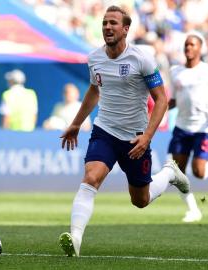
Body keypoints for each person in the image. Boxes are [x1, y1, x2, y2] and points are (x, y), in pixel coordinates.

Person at [58, 5, 190, 257]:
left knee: (140, 200)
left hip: (136, 137)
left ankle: (170, 173)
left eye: (113, 23)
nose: (107, 27)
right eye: (105, 23)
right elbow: (94, 90)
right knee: (91, 178)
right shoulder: (95, 58)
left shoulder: (142, 60)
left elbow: (161, 99)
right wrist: (76, 123)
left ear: (126, 29)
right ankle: (75, 239)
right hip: (104, 130)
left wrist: (148, 136)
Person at [168, 32, 208, 223]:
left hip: (203, 127)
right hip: (181, 127)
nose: (188, 47)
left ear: (200, 48)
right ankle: (193, 210)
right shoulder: (175, 71)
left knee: (198, 171)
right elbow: (175, 100)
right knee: (177, 173)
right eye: (186, 44)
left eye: (192, 44)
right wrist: (160, 109)